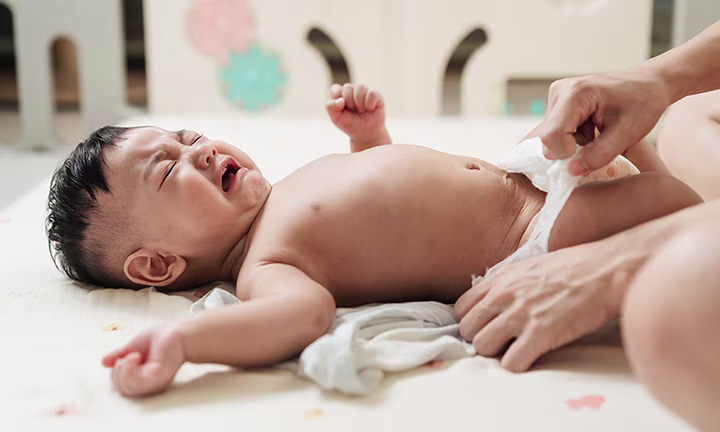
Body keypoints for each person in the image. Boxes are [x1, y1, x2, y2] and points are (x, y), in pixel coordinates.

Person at [46, 83, 699, 399]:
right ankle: (683, 202)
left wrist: (369, 139)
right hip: (530, 236)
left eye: (187, 138)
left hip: (525, 174)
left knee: (599, 111)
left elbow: (386, 216)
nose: (200, 149)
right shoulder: (266, 267)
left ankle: (651, 154)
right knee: (670, 205)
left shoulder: (286, 194)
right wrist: (184, 343)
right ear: (158, 264)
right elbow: (300, 316)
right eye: (168, 170)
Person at [456, 20, 720, 431]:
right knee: (692, 111)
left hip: (539, 233)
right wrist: (659, 77)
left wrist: (626, 259)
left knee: (675, 302)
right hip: (557, 213)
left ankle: (690, 231)